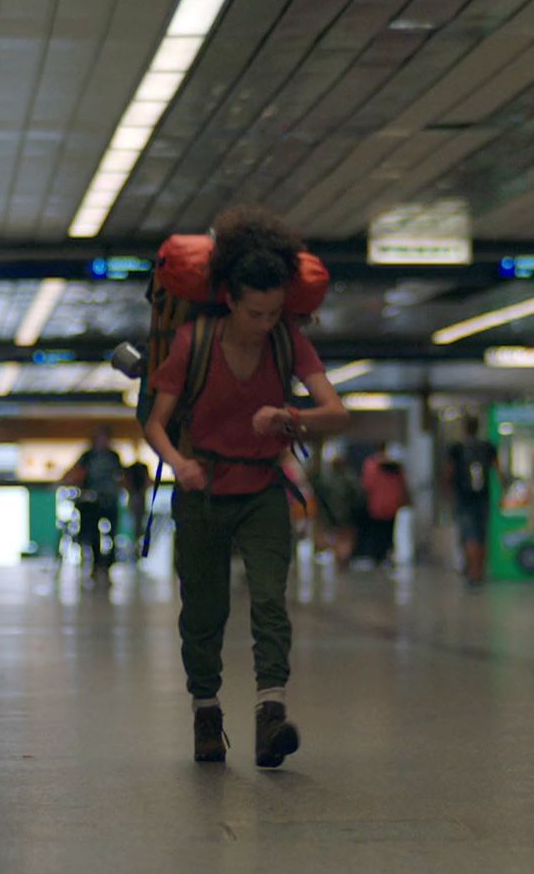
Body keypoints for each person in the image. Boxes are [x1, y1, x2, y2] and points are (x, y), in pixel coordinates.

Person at [143, 204, 349, 768]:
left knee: (269, 600)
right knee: (203, 609)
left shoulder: (287, 342)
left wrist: (291, 416)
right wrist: (177, 463)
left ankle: (269, 715)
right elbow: (156, 422)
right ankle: (207, 715)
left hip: (262, 489)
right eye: (255, 312)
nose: (265, 323)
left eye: (275, 312)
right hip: (203, 488)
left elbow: (336, 410)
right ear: (230, 300)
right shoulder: (194, 341)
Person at [445, 412, 509, 587]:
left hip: (464, 498)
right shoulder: (488, 447)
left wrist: (448, 494)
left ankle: (472, 574)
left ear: (464, 428)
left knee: (468, 535)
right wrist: (504, 492)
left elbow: (449, 473)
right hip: (483, 497)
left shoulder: (456, 448)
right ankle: (479, 571)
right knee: (481, 535)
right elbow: (499, 471)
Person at [65, 426, 124, 583]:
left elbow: (120, 475)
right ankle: (97, 563)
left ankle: (107, 563)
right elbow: (77, 472)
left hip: (110, 499)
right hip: (92, 500)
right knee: (92, 534)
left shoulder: (113, 456)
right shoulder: (88, 456)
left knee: (112, 533)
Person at [359, 443, 409, 567]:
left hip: (376, 505)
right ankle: (387, 554)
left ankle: (378, 555)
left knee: (376, 532)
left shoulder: (371, 465)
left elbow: (367, 484)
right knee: (389, 531)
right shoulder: (396, 466)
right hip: (392, 505)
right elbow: (402, 485)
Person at [311, 456, 360, 566]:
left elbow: (320, 494)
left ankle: (339, 556)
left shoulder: (327, 480)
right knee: (345, 536)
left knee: (337, 537)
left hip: (332, 514)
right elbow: (357, 494)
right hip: (347, 513)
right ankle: (343, 558)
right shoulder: (349, 479)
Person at [124, 460, 151, 556]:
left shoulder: (138, 469)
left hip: (139, 498)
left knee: (138, 523)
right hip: (137, 497)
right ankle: (135, 544)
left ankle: (136, 544)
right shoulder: (134, 470)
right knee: (136, 523)